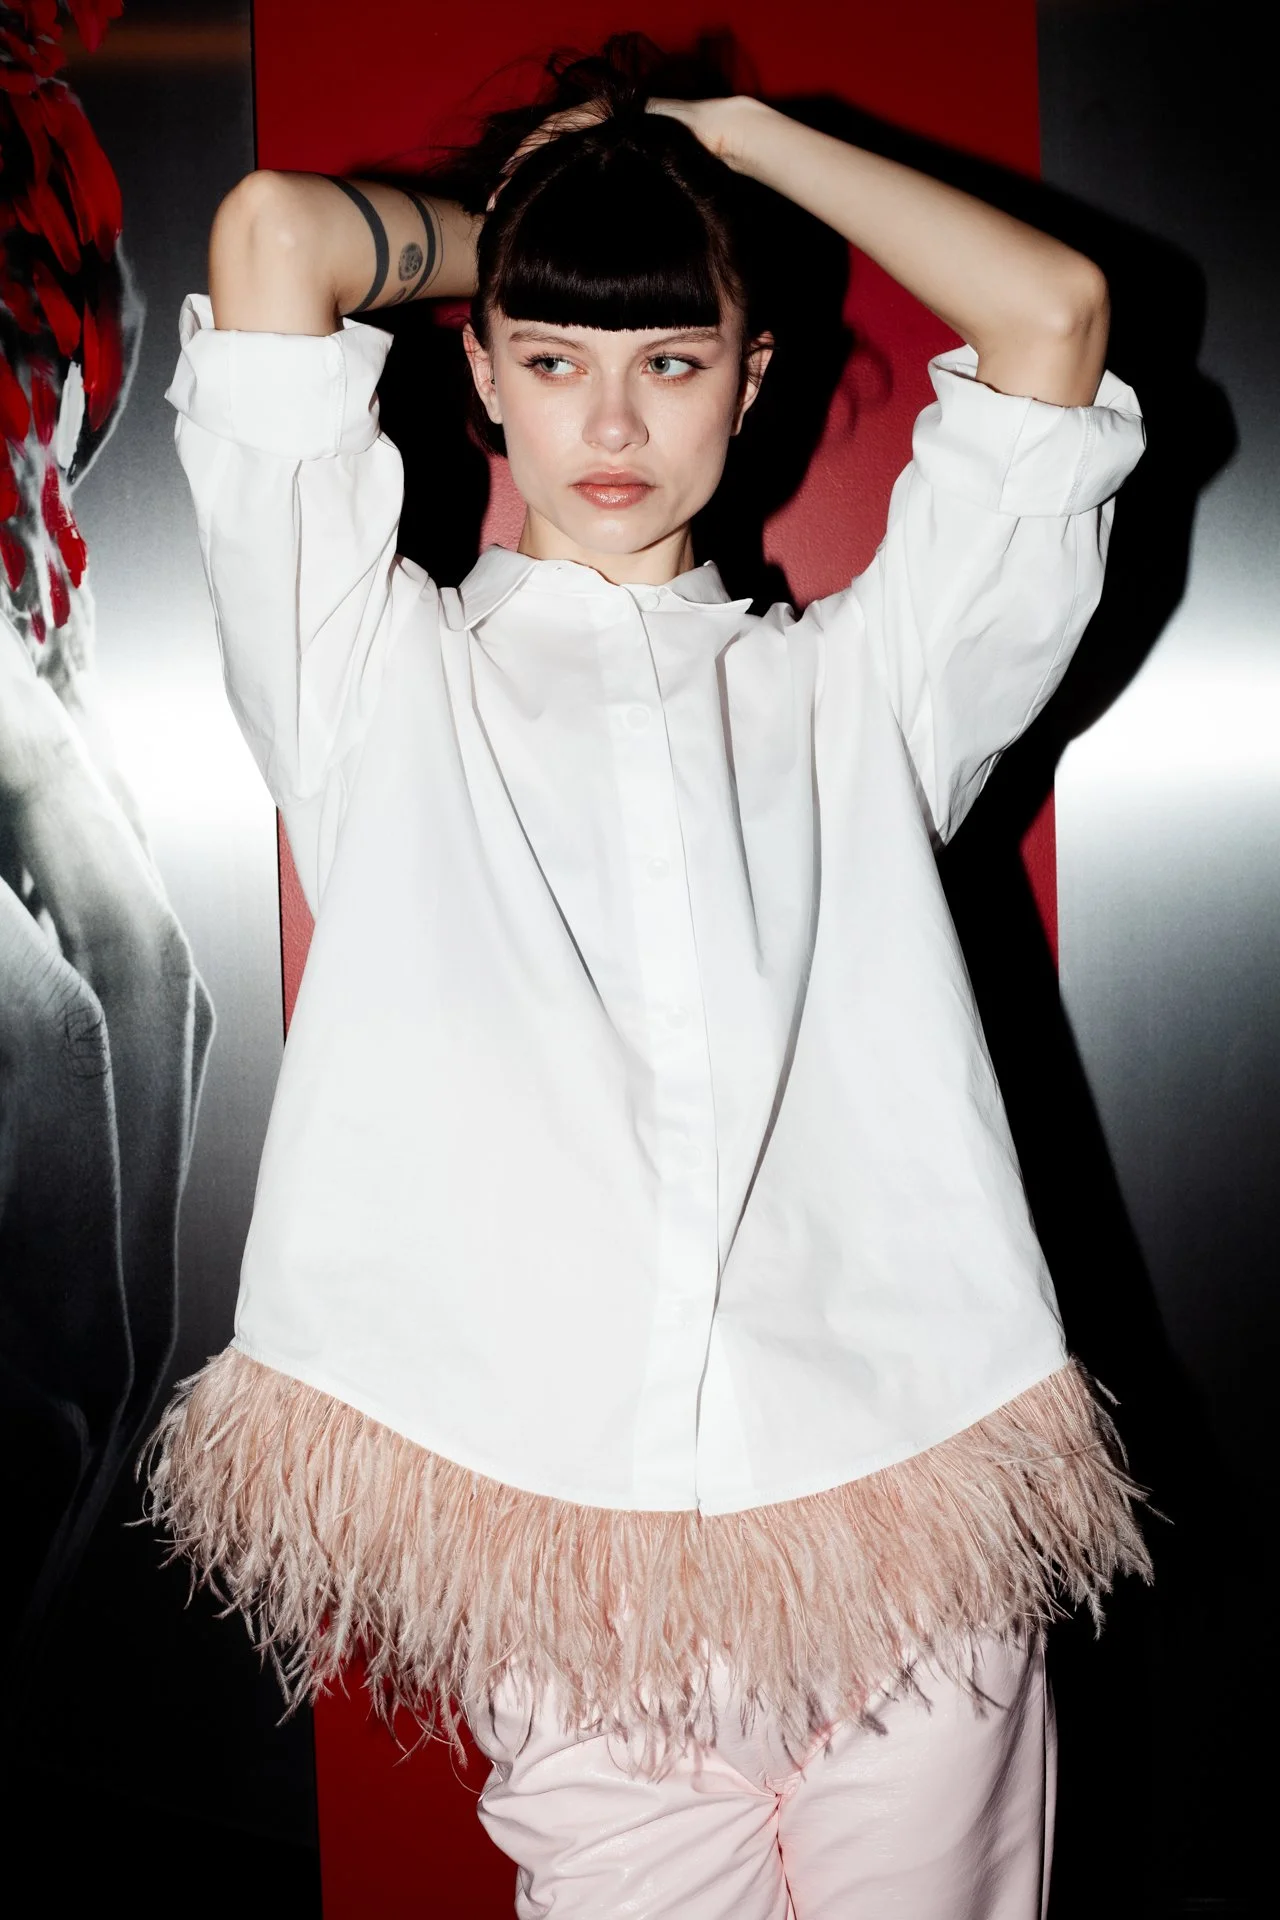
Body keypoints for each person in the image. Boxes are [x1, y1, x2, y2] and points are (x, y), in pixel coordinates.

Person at [146, 39, 1150, 1919]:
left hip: (904, 1524)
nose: (612, 419)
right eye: (552, 357)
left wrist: (738, 151)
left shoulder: (862, 690)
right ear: (481, 371)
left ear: (751, 382)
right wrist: (547, 227)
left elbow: (1057, 315)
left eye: (674, 361)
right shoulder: (376, 681)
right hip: (577, 1562)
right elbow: (278, 236)